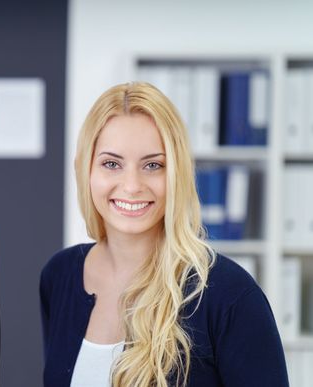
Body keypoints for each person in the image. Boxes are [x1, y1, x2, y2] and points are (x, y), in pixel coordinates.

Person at [40, 82, 288, 387]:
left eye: (153, 165)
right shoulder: (60, 276)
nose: (131, 185)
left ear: (177, 173)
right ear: (85, 170)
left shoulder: (229, 295)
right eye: (112, 164)